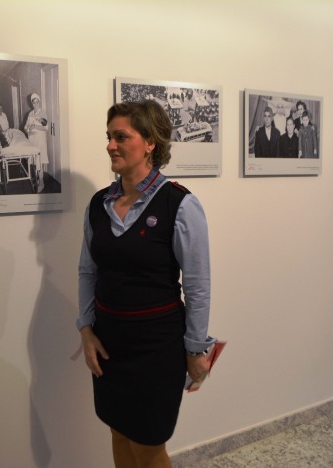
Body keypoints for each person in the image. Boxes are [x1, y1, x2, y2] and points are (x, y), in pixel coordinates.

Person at [78, 100, 214, 468]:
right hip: (109, 343)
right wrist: (86, 330)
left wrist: (196, 350)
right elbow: (88, 272)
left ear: (150, 142)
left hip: (157, 349)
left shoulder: (179, 205)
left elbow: (198, 286)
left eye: (121, 136)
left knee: (148, 445)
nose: (110, 145)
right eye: (109, 137)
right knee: (118, 431)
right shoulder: (98, 205)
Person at [24, 93, 49, 191]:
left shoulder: (42, 113)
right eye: (33, 102)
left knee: (39, 161)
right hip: (32, 140)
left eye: (37, 102)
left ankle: (41, 183)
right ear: (32, 104)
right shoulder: (30, 114)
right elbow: (25, 126)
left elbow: (46, 128)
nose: (35, 104)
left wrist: (35, 126)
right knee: (34, 162)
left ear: (39, 102)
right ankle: (38, 179)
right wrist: (28, 130)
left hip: (40, 140)